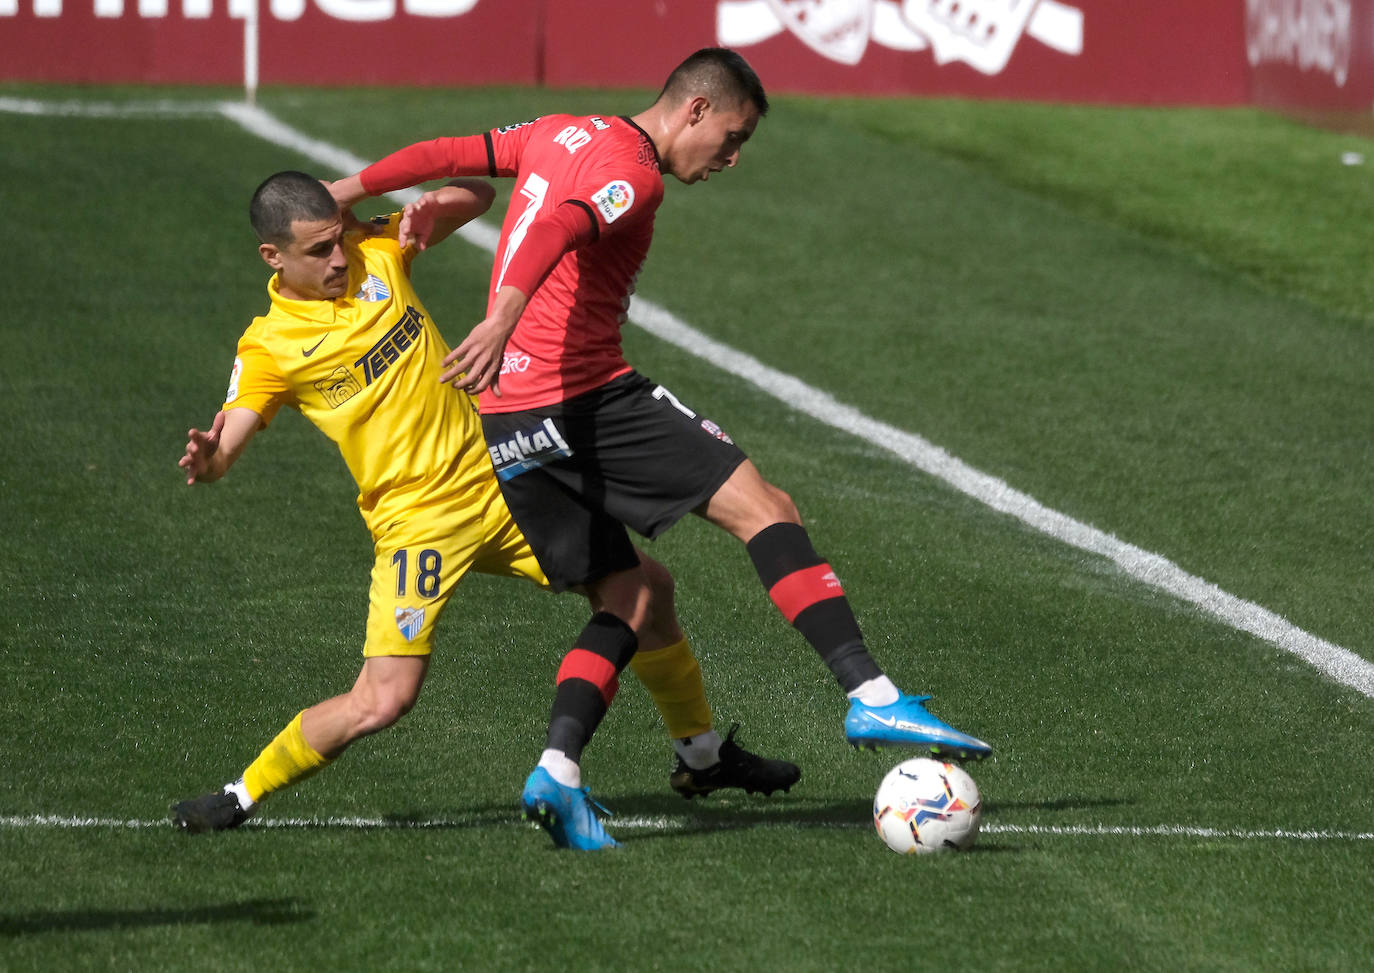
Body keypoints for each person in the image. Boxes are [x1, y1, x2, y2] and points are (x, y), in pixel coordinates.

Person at [329, 47, 990, 852]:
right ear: (696, 111)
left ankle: (567, 771)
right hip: (582, 398)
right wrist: (503, 314)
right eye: (733, 137)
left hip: (507, 419)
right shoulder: (632, 175)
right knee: (767, 509)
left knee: (635, 597)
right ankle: (871, 691)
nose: (733, 159)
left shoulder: (558, 129)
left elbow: (449, 154)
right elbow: (569, 223)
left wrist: (345, 191)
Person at [170, 170, 799, 836]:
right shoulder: (269, 346)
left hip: (504, 485)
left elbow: (480, 196)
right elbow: (228, 439)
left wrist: (388, 205)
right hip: (417, 525)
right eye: (318, 249)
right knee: (384, 700)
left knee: (646, 587)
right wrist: (211, 462)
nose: (336, 259)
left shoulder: (375, 252)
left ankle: (699, 757)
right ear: (273, 256)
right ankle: (240, 794)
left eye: (337, 240)